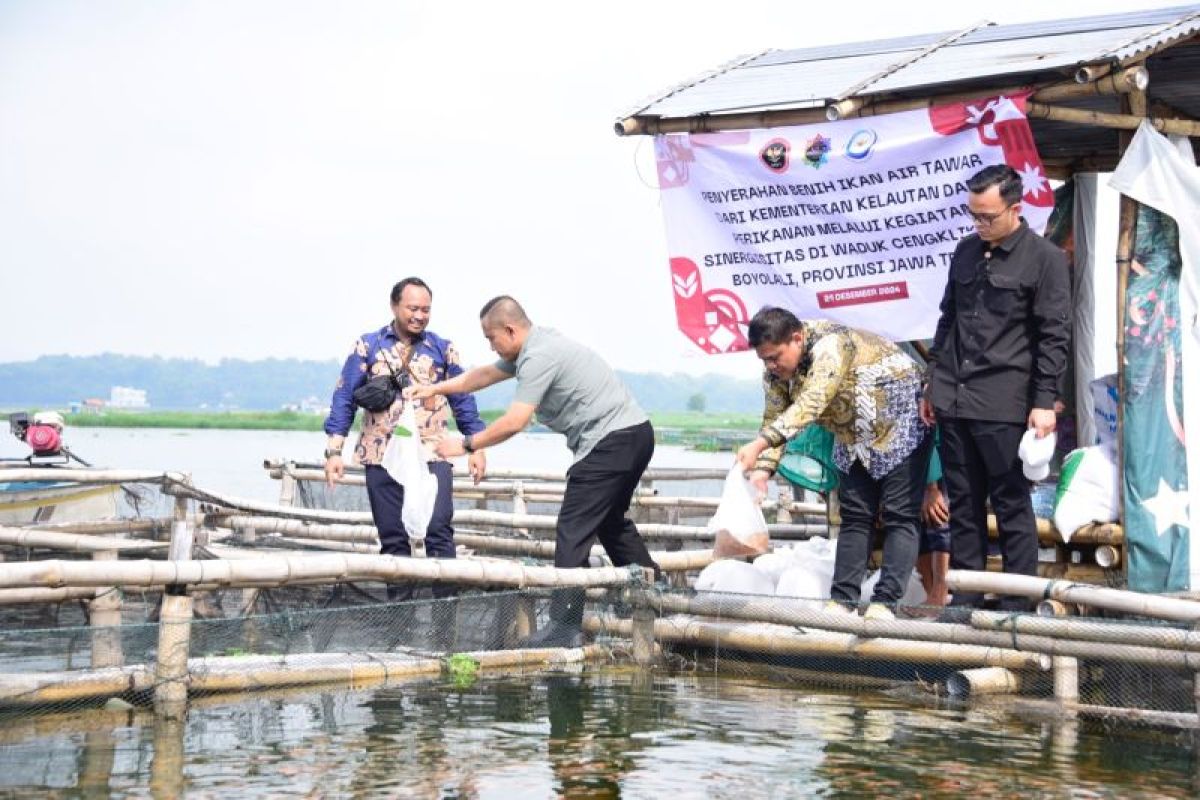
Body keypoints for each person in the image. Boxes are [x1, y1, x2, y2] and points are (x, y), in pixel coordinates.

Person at [407, 295, 660, 646]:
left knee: (572, 529)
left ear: (509, 330)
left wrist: (466, 445)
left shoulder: (538, 357)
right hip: (635, 434)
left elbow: (515, 421)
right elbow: (482, 376)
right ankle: (652, 594)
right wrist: (435, 388)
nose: (491, 345)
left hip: (612, 440)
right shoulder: (535, 345)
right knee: (609, 520)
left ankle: (564, 627)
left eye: (491, 337)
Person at [921, 164, 1071, 611]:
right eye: (974, 216)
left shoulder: (1043, 259)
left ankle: (1017, 605)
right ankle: (965, 597)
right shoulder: (965, 252)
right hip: (954, 397)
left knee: (1010, 505)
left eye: (988, 216)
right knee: (963, 504)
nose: (980, 225)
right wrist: (934, 383)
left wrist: (1044, 401)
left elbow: (1054, 334)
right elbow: (947, 320)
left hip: (1005, 402)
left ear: (1015, 209)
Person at [736, 308, 932, 621]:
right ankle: (843, 600)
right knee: (855, 515)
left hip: (899, 419)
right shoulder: (774, 372)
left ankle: (886, 602)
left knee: (900, 514)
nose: (771, 366)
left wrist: (760, 444)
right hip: (851, 432)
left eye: (775, 357)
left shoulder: (831, 345)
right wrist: (763, 468)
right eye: (764, 360)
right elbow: (775, 415)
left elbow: (811, 403)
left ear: (797, 338)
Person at [323, 277, 487, 602]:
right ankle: (402, 623)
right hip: (380, 453)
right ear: (395, 306)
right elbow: (344, 398)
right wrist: (334, 451)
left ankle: (445, 626)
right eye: (412, 308)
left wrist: (476, 446)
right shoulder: (368, 346)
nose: (419, 316)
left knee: (439, 530)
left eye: (426, 309)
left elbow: (463, 399)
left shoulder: (442, 349)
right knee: (393, 539)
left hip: (433, 452)